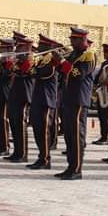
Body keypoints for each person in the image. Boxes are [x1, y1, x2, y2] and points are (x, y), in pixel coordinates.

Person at [56, 27, 95, 180]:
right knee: (69, 135)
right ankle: (70, 167)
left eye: (74, 39)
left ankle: (77, 169)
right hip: (68, 97)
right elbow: (63, 72)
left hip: (79, 99)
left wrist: (62, 62)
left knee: (77, 136)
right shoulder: (74, 54)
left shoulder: (89, 55)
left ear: (82, 40)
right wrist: (58, 63)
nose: (71, 42)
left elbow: (78, 74)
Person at [28, 35, 61, 170]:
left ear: (48, 47)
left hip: (47, 100)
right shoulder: (41, 60)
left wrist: (33, 67)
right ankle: (41, 157)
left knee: (43, 131)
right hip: (38, 99)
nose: (39, 47)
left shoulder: (52, 61)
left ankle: (46, 160)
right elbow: (31, 72)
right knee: (37, 131)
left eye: (41, 45)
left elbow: (44, 73)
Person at [4, 32, 33, 164]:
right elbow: (10, 71)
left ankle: (23, 154)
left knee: (21, 125)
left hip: (24, 95)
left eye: (20, 47)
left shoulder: (30, 59)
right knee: (14, 124)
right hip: (15, 95)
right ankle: (17, 152)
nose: (17, 50)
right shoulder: (19, 60)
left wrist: (14, 63)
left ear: (26, 48)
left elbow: (23, 72)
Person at [91, 43, 108, 145]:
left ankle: (106, 137)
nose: (105, 54)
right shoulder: (104, 64)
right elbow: (97, 77)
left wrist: (106, 82)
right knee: (101, 115)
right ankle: (103, 135)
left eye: (107, 52)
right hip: (102, 92)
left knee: (106, 116)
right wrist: (95, 84)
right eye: (104, 52)